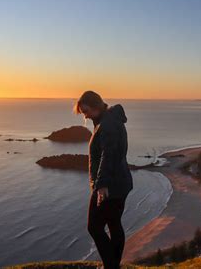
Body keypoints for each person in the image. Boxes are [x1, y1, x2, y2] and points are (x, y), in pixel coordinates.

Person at [73, 90, 133, 269]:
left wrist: (102, 185)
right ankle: (113, 265)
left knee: (94, 227)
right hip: (119, 182)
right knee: (114, 223)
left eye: (86, 111)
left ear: (96, 106)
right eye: (83, 112)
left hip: (110, 185)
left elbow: (108, 155)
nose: (85, 115)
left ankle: (111, 265)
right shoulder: (108, 121)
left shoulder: (107, 125)